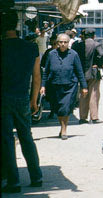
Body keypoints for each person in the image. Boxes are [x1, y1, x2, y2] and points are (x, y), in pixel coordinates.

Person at [1, 11, 43, 193]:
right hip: (23, 98)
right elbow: (36, 77)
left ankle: (13, 181)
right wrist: (34, 100)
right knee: (26, 137)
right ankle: (36, 177)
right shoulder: (31, 48)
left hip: (3, 99)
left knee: (7, 140)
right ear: (17, 26)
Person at [41, 33, 88, 139]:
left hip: (70, 86)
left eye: (65, 42)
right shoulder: (51, 54)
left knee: (65, 108)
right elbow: (46, 71)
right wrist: (43, 85)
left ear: (68, 43)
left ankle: (64, 129)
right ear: (57, 43)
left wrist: (84, 87)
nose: (63, 44)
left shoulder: (74, 54)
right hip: (54, 85)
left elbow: (80, 71)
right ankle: (62, 126)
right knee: (58, 108)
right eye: (60, 42)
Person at [77, 28, 103, 124]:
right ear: (94, 35)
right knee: (94, 94)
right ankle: (94, 117)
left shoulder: (79, 45)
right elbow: (101, 55)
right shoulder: (97, 44)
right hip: (93, 72)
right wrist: (99, 64)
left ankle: (83, 117)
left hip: (81, 72)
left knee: (83, 94)